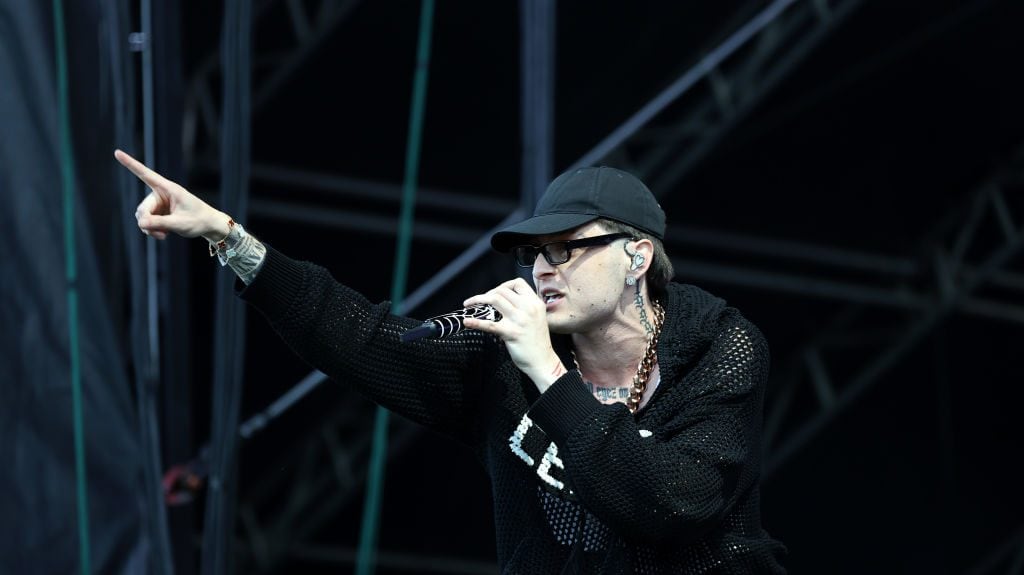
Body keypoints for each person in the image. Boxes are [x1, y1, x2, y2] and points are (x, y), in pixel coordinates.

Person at [116, 149, 787, 574]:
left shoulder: (719, 352)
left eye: (567, 250)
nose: (544, 270)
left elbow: (669, 501)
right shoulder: (504, 362)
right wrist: (230, 239)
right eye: (534, 255)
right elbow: (361, 337)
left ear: (637, 256)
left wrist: (550, 378)